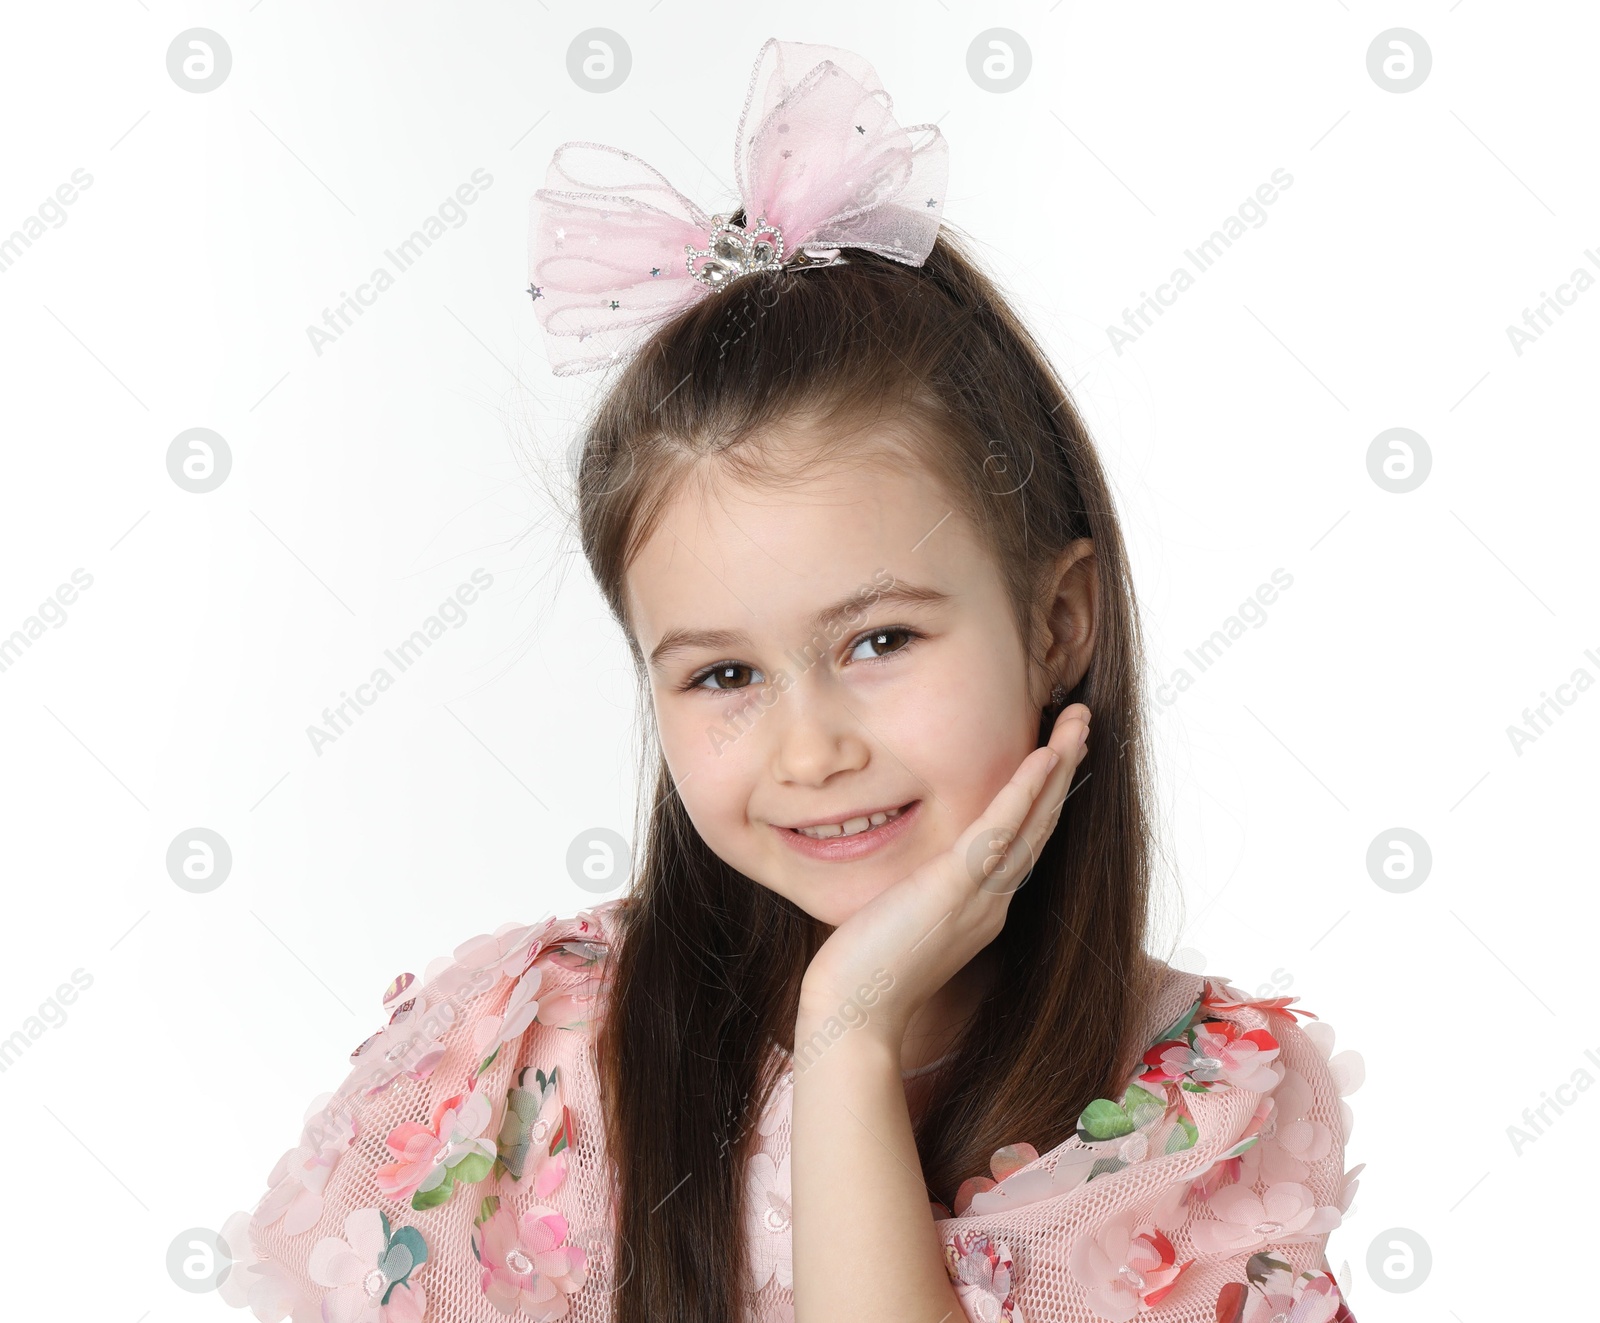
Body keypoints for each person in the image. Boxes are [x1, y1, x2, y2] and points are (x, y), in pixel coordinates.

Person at [216, 37, 1363, 1323]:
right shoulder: (527, 1061)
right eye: (721, 676)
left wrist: (849, 1031)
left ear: (1057, 622)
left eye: (878, 642)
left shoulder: (1199, 1104)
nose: (809, 751)